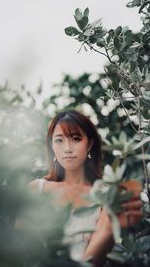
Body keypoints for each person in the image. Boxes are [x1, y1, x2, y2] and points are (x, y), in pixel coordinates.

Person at [29, 110, 142, 267]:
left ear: (89, 144)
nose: (67, 148)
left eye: (76, 139)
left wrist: (110, 226)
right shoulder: (37, 189)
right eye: (59, 140)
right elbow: (18, 251)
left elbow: (95, 260)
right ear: (51, 145)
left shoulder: (105, 194)